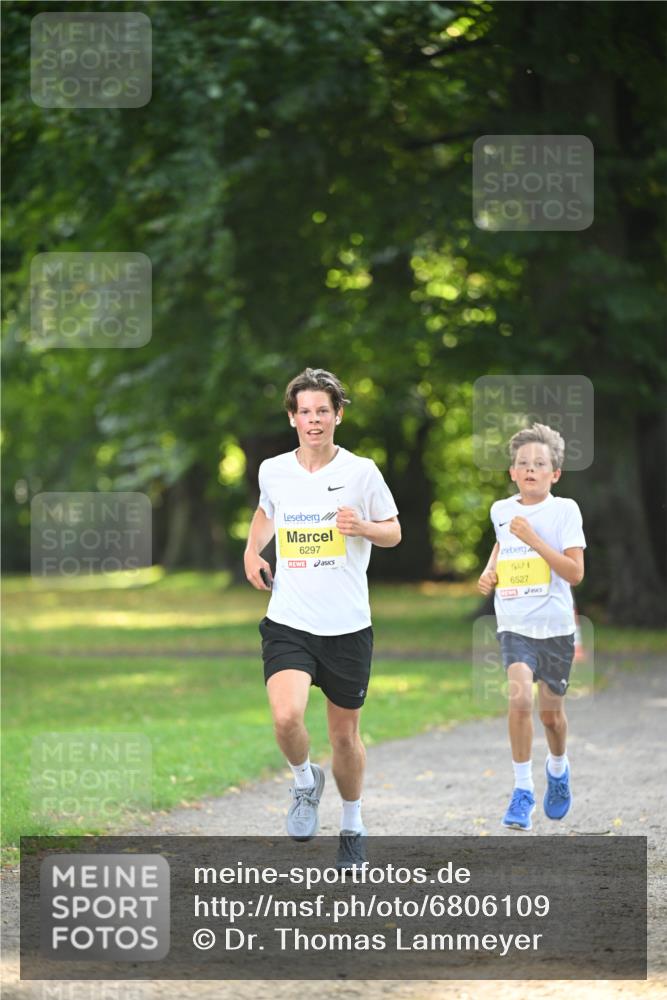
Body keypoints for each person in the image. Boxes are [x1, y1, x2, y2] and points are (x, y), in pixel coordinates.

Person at [244, 368, 401, 866]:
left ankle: (352, 823)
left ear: (338, 415)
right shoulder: (274, 469)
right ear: (293, 418)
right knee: (286, 717)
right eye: (305, 412)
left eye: (323, 411)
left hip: (348, 625)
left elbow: (394, 532)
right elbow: (267, 510)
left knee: (343, 737)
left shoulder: (361, 471)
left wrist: (365, 526)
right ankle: (304, 780)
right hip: (289, 618)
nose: (314, 420)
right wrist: (253, 551)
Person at [478, 423, 586, 831]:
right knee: (520, 700)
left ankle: (557, 769)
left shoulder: (565, 511)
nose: (530, 469)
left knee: (550, 717)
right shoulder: (501, 511)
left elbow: (574, 572)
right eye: (523, 463)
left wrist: (536, 538)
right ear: (512, 472)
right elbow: (502, 546)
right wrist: (489, 573)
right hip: (515, 624)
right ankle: (522, 790)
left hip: (555, 628)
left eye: (540, 464)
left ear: (554, 474)